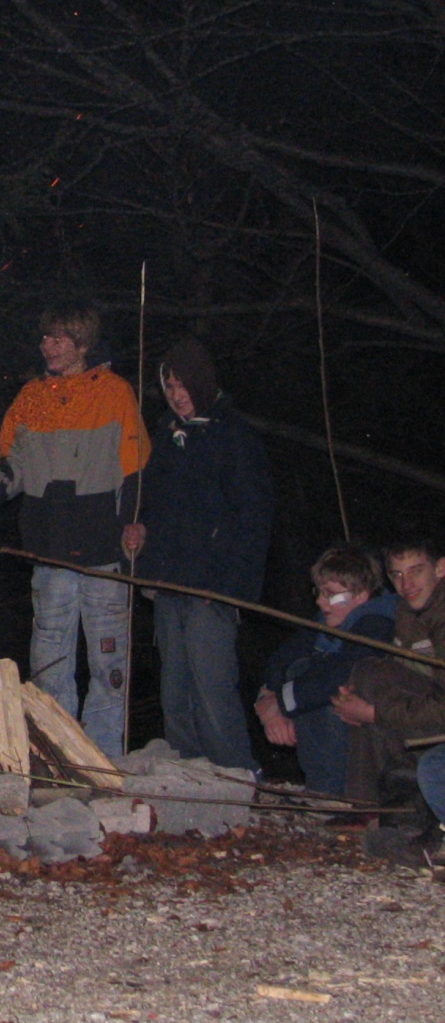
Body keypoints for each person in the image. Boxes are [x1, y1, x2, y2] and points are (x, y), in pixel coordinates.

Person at [0, 301, 150, 756]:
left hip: (101, 553)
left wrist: (132, 523)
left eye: (57, 339)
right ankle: (59, 756)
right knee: (50, 662)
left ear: (82, 345)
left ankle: (103, 760)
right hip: (49, 550)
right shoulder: (30, 398)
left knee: (108, 663)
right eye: (45, 338)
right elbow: (11, 466)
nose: (46, 346)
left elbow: (135, 469)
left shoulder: (115, 393)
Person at [122, 335, 273, 771]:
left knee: (212, 688)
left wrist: (228, 588)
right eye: (169, 387)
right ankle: (187, 777)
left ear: (202, 383)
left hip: (213, 586)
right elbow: (155, 504)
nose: (177, 395)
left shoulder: (234, 437)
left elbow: (253, 518)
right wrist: (140, 534)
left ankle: (236, 776)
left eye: (183, 386)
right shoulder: (168, 437)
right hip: (170, 582)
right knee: (176, 689)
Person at [332, 537, 445, 857]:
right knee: (366, 677)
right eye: (396, 575)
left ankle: (392, 809)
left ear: (441, 567)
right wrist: (358, 701)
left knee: (372, 680)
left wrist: (376, 712)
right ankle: (375, 808)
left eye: (416, 571)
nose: (406, 584)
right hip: (430, 709)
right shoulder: (409, 610)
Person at [254, 544, 396, 797]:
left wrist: (282, 704)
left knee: (322, 696)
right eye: (318, 591)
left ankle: (334, 797)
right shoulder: (327, 621)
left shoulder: (379, 622)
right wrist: (268, 700)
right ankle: (320, 793)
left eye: (330, 593)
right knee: (302, 673)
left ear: (361, 594)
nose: (320, 601)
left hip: (378, 730)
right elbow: (280, 660)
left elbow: (337, 676)